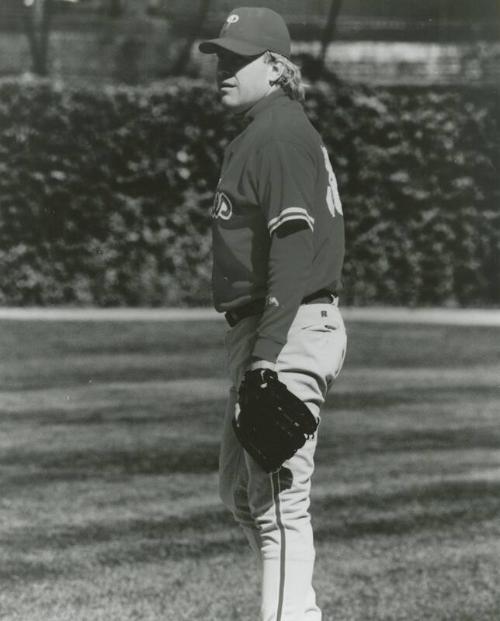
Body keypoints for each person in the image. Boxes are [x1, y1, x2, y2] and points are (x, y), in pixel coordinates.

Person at [199, 7, 347, 621]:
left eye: (238, 58)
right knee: (243, 495)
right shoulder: (264, 131)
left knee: (277, 506)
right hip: (270, 330)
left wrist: (265, 359)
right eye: (221, 56)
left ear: (278, 68)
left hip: (286, 329)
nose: (223, 68)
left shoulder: (280, 135)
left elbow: (293, 247)